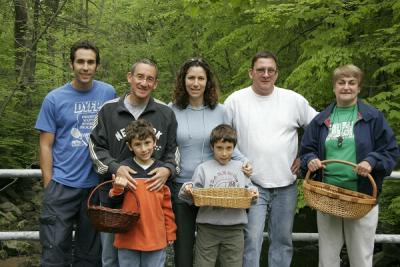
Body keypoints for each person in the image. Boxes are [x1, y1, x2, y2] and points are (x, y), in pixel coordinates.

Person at [224, 50, 318, 267]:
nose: (265, 74)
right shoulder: (235, 101)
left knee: (283, 241)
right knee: (251, 240)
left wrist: (305, 156)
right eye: (260, 70)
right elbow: (221, 137)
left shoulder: (294, 100)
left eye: (270, 70)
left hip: (286, 183)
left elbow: (319, 127)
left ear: (277, 74)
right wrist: (234, 163)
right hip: (250, 184)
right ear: (251, 73)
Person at [300, 64, 399, 267]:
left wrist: (371, 161)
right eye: (341, 82)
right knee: (327, 259)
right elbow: (305, 151)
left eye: (352, 83)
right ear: (334, 87)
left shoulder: (373, 118)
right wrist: (310, 159)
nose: (346, 87)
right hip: (327, 197)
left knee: (361, 258)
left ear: (359, 87)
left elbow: (390, 152)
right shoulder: (320, 120)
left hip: (361, 198)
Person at [35, 40, 116, 266]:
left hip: (95, 187)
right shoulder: (54, 99)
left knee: (90, 256)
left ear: (97, 66)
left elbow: (113, 133)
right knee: (54, 251)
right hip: (61, 185)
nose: (85, 67)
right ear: (71, 64)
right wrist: (48, 184)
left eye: (90, 62)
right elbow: (45, 145)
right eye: (80, 61)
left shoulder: (108, 92)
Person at [89, 58, 177, 267]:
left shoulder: (165, 113)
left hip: (152, 201)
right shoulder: (108, 110)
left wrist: (167, 169)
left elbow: (173, 150)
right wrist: (115, 167)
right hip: (114, 199)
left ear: (155, 84)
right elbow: (94, 147)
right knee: (111, 258)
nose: (144, 83)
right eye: (140, 76)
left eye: (150, 79)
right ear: (130, 77)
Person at [169, 58, 251, 266]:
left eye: (200, 78)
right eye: (191, 78)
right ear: (183, 80)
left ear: (208, 82)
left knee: (216, 252)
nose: (195, 83)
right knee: (184, 250)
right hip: (184, 188)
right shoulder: (171, 110)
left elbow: (229, 146)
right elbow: (166, 148)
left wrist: (246, 164)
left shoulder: (222, 111)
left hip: (216, 189)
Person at [178, 124, 258, 267]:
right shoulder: (203, 168)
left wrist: (253, 193)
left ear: (234, 148)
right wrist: (187, 188)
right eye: (219, 148)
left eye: (228, 148)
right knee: (203, 264)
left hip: (235, 229)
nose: (224, 153)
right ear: (212, 147)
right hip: (207, 228)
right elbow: (191, 197)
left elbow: (249, 194)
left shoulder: (241, 168)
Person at [108, 119, 176, 267]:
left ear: (155, 142)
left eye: (147, 143)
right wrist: (118, 188)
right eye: (138, 145)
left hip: (155, 236)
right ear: (130, 146)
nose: (144, 149)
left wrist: (170, 231)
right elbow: (113, 202)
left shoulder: (161, 171)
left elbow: (167, 207)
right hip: (128, 236)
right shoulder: (124, 169)